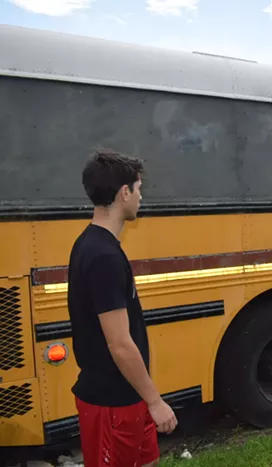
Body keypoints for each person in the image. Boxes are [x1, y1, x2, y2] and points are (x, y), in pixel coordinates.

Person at [67, 150, 177, 467]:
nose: (141, 197)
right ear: (124, 192)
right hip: (110, 404)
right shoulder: (102, 256)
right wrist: (155, 401)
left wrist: (145, 398)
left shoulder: (95, 245)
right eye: (139, 188)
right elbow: (119, 342)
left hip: (129, 396)